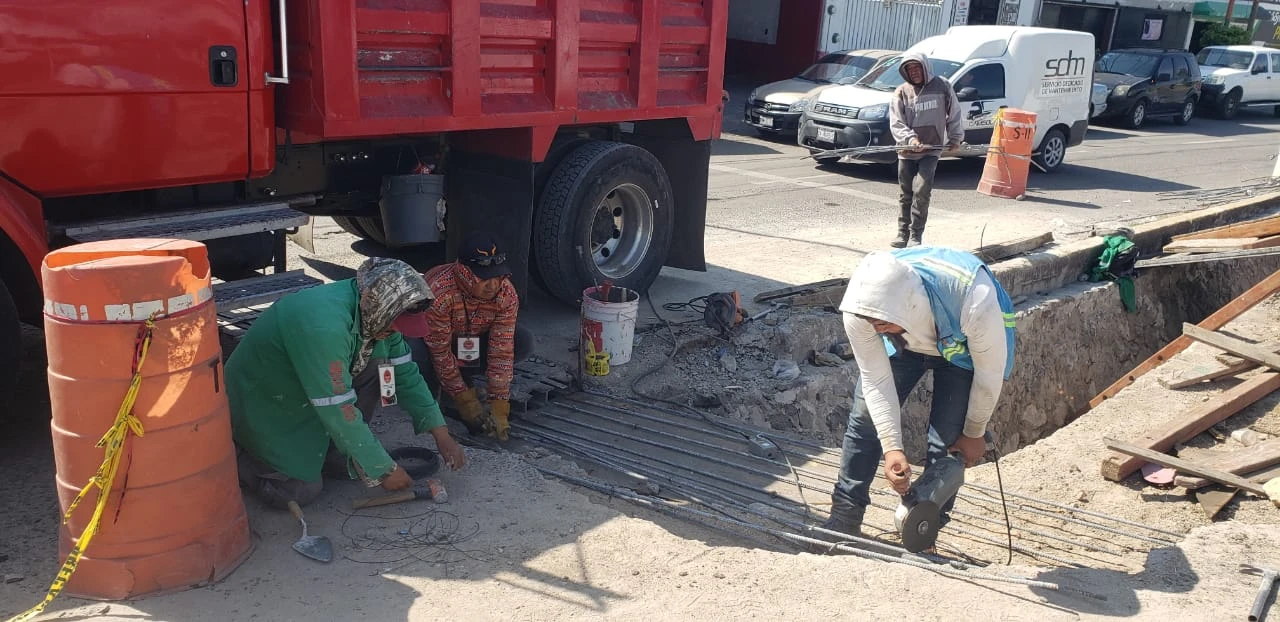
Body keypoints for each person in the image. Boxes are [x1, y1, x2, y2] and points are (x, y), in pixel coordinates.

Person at [227, 257, 467, 510]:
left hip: (313, 389)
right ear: (380, 308)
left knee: (380, 365)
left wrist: (440, 432)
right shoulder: (324, 326)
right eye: (394, 327)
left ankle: (337, 450)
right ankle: (241, 456)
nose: (396, 333)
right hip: (266, 401)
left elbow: (404, 373)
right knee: (298, 491)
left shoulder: (377, 313)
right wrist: (383, 469)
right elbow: (336, 405)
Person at [816, 246, 1016, 547]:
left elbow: (989, 373)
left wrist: (974, 432)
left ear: (906, 306)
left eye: (880, 324)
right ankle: (844, 518)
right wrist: (892, 449)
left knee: (947, 441)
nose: (874, 329)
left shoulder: (975, 300)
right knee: (864, 421)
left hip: (961, 348)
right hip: (905, 342)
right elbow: (876, 380)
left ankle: (923, 530)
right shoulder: (866, 311)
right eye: (871, 323)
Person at [411, 231, 534, 442]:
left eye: (497, 276)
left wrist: (499, 404)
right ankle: (429, 403)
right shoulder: (439, 293)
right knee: (417, 352)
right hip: (434, 342)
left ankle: (462, 381)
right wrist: (465, 400)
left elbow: (501, 350)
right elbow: (440, 352)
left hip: (468, 341)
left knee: (521, 340)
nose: (493, 285)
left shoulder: (505, 294)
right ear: (464, 272)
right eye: (484, 278)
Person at [888, 52, 964, 249]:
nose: (914, 72)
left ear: (925, 67)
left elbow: (954, 113)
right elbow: (896, 122)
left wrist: (955, 138)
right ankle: (902, 233)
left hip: (931, 150)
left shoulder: (943, 86)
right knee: (905, 194)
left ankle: (916, 235)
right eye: (909, 69)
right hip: (906, 151)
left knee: (922, 191)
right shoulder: (902, 92)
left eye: (917, 68)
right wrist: (910, 139)